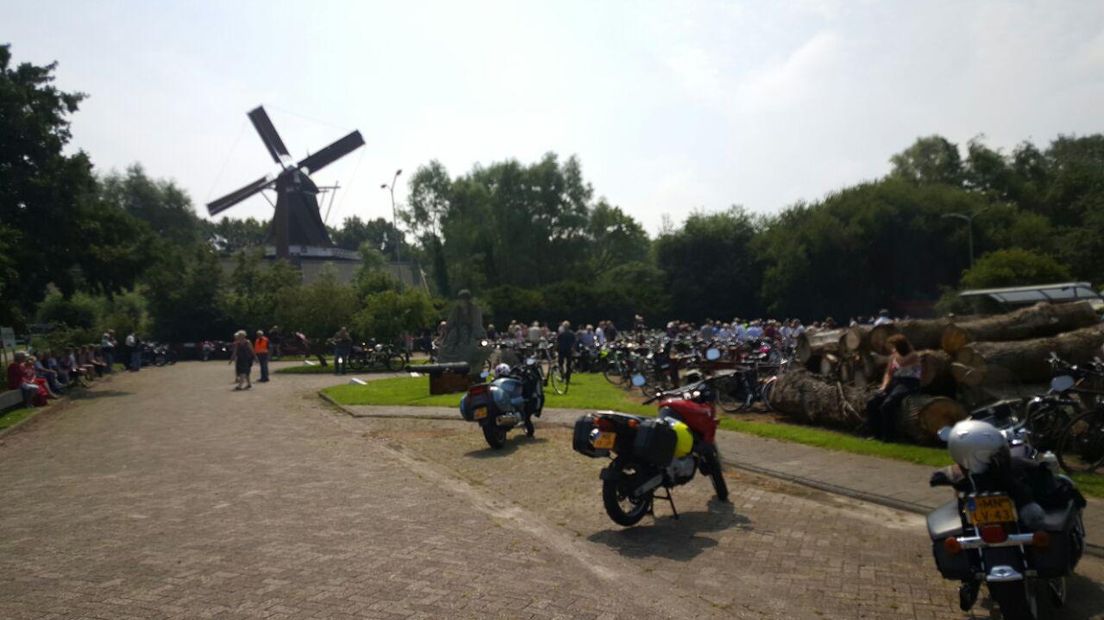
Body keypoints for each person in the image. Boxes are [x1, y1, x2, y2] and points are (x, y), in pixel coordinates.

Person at [866, 334, 922, 441]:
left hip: (909, 383)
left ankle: (889, 436)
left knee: (888, 404)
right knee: (872, 402)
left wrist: (886, 358)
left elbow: (902, 363)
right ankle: (876, 434)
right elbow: (889, 373)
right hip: (896, 382)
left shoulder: (913, 355)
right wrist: (883, 387)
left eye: (894, 346)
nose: (892, 349)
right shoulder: (894, 357)